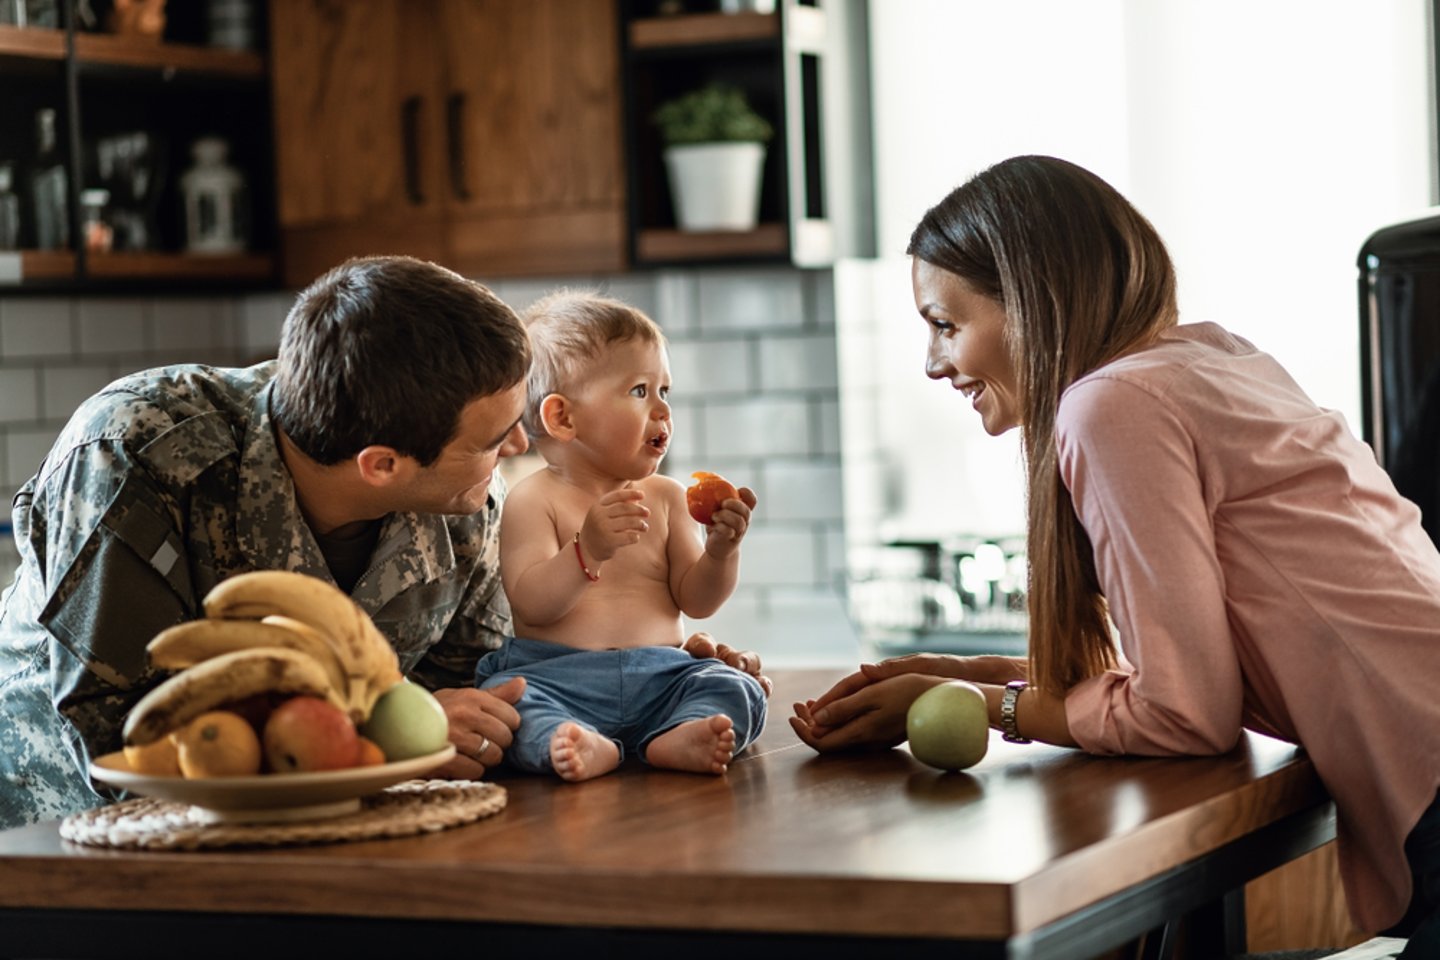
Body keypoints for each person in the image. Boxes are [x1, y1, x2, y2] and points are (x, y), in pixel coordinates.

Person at [789, 156, 1440, 953]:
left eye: (946, 325)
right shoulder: (1208, 359)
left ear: (1032, 299)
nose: (933, 362)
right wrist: (974, 675)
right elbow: (1194, 679)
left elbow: (1182, 716)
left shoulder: (1113, 404)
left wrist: (992, 712)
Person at [0, 256, 762, 829]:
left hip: (326, 836)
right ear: (383, 466)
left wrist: (652, 668)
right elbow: (111, 732)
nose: (520, 447)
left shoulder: (466, 504)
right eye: (496, 438)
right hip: (56, 843)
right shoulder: (137, 451)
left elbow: (478, 679)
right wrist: (383, 736)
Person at [475, 291, 768, 782]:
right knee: (510, 704)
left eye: (665, 391)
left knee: (734, 685)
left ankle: (681, 732)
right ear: (563, 418)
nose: (662, 410)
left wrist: (721, 552)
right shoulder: (532, 500)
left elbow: (696, 601)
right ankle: (574, 742)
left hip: (663, 676)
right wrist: (586, 550)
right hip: (559, 678)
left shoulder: (668, 497)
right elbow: (533, 605)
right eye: (639, 391)